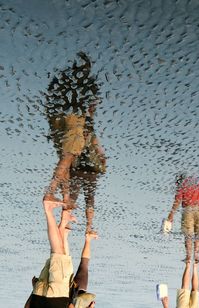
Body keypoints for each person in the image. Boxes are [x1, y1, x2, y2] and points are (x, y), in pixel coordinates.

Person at [44, 52, 100, 209]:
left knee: (65, 159)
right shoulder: (86, 84)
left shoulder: (63, 79)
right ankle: (50, 192)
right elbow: (90, 108)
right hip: (74, 119)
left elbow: (51, 96)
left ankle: (66, 199)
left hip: (55, 118)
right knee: (69, 156)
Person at [24, 200, 76, 308]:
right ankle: (63, 222)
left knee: (58, 254)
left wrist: (72, 300)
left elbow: (71, 306)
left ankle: (48, 209)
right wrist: (33, 290)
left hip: (57, 297)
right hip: (38, 294)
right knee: (56, 255)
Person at [70, 103, 106, 233]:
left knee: (73, 196)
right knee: (89, 199)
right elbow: (100, 152)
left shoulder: (75, 134)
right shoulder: (91, 135)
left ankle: (66, 223)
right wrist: (102, 161)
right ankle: (89, 227)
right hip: (90, 171)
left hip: (77, 169)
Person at [167, 174, 199, 263]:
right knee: (198, 233)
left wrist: (171, 215)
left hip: (188, 210)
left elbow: (177, 201)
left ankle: (188, 256)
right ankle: (196, 255)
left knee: (188, 235)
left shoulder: (182, 185)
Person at [69, 232, 98, 308]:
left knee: (84, 264)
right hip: (65, 294)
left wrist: (91, 307)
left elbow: (71, 306)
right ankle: (63, 230)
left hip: (77, 292)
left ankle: (88, 239)